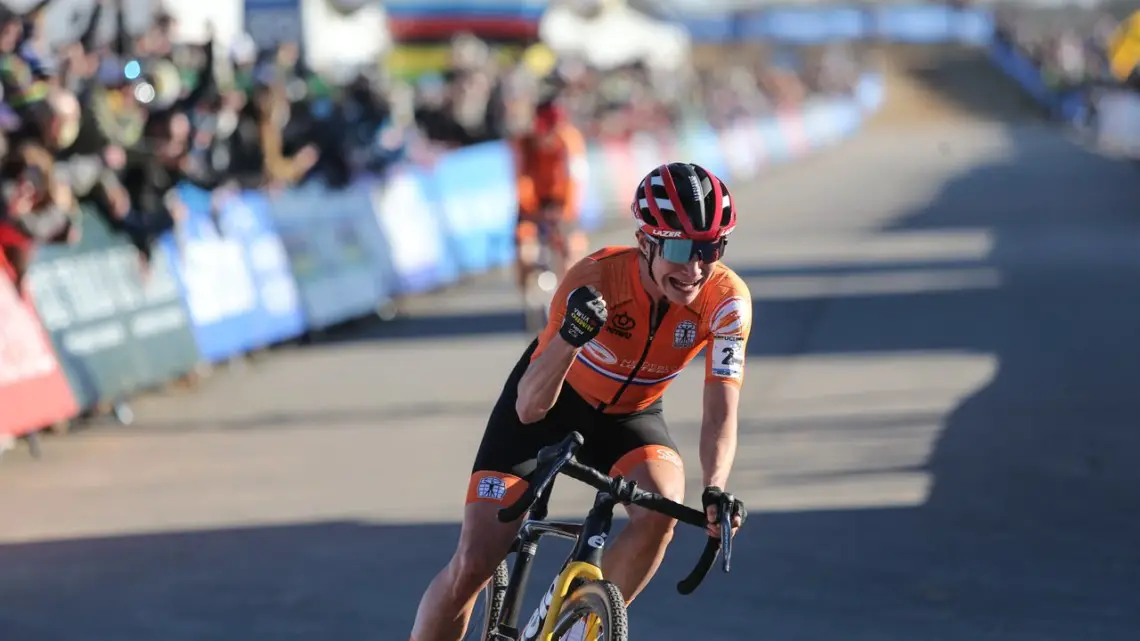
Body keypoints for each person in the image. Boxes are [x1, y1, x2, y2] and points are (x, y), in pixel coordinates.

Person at [409, 162, 752, 641]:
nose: (694, 267)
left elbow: (721, 407)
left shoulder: (727, 301)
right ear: (646, 240)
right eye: (679, 248)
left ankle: (578, 627)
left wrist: (716, 486)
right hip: (549, 406)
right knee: (473, 564)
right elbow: (529, 408)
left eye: (709, 249)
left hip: (631, 417)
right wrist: (570, 339)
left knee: (663, 510)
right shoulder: (594, 280)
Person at [510, 98, 588, 298]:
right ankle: (528, 292)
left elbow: (575, 180)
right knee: (524, 251)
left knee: (570, 252)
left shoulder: (570, 140)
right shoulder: (524, 143)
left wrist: (564, 211)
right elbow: (521, 181)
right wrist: (532, 211)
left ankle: (568, 299)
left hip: (562, 202)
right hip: (533, 203)